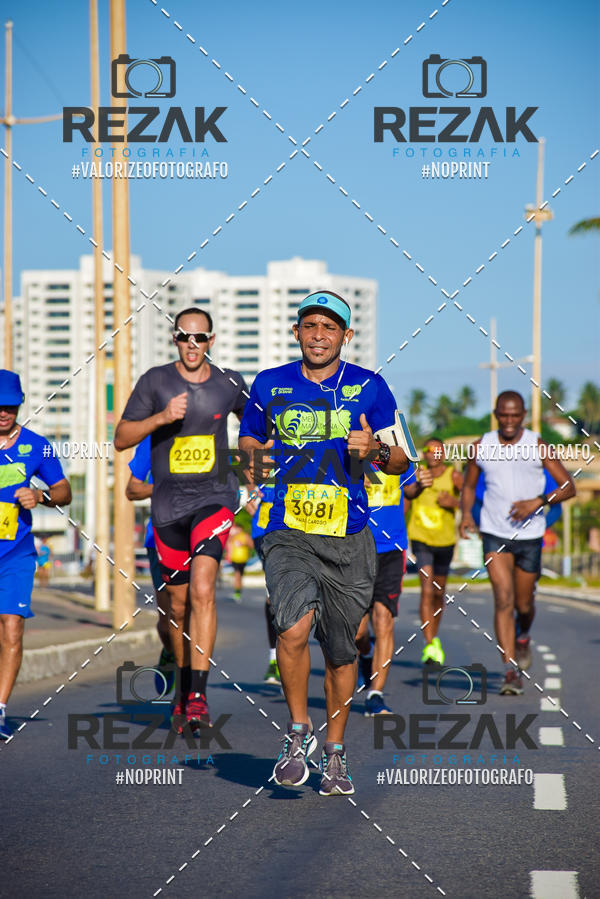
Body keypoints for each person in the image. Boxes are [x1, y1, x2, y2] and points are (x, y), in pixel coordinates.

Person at [239, 290, 409, 795]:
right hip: (288, 529)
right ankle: (297, 733)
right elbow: (249, 439)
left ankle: (334, 752)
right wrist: (255, 461)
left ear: (345, 336)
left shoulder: (371, 387)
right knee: (291, 628)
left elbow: (404, 461)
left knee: (341, 649)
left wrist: (376, 448)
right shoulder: (270, 385)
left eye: (329, 327)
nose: (318, 335)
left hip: (350, 535)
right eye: (310, 325)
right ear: (297, 332)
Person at [114, 308, 249, 732]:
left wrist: (254, 464)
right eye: (184, 337)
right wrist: (161, 417)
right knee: (176, 605)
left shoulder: (229, 383)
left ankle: (197, 695)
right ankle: (181, 687)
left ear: (212, 340)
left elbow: (255, 425)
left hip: (214, 499)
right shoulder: (156, 381)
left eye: (201, 337)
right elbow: (121, 439)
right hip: (169, 508)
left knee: (203, 589)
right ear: (174, 339)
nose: (192, 345)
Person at [460, 391, 576, 694]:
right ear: (496, 414)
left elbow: (568, 486)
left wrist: (537, 501)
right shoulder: (480, 446)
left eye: (515, 415)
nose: (509, 421)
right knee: (503, 598)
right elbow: (469, 486)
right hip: (495, 532)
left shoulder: (537, 445)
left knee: (524, 604)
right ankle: (510, 671)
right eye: (504, 415)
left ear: (523, 415)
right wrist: (465, 515)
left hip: (530, 535)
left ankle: (524, 634)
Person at [0, 370, 72, 739]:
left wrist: (40, 496)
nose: (3, 413)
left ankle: (0, 709)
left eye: (10, 406)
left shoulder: (36, 445)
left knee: (12, 626)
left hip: (16, 553)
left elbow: (64, 490)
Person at [356, 461, 426, 715]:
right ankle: (367, 654)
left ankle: (376, 694)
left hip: (392, 549)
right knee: (358, 633)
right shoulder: (349, 454)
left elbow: (411, 490)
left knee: (384, 619)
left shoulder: (397, 458)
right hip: (356, 548)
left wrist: (422, 484)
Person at [125, 435, 175, 696]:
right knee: (169, 624)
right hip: (159, 539)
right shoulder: (152, 442)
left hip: (198, 540)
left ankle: (188, 696)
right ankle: (169, 650)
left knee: (195, 613)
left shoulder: (212, 438)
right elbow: (132, 489)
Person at [407, 437, 463, 665]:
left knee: (439, 594)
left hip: (445, 541)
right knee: (427, 590)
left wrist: (454, 502)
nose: (433, 454)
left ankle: (434, 637)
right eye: (429, 450)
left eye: (437, 450)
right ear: (425, 454)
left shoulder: (454, 476)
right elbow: (406, 502)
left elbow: (471, 501)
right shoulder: (417, 475)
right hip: (421, 539)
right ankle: (430, 644)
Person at [250, 486, 280, 684]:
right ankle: (274, 659)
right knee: (274, 595)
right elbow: (247, 497)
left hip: (299, 528)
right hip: (264, 532)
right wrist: (250, 497)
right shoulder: (256, 459)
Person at [225, 522, 254, 602]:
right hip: (235, 559)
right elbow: (227, 544)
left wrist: (244, 544)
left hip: (243, 559)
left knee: (240, 576)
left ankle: (238, 593)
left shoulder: (245, 536)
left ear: (241, 529)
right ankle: (237, 594)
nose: (238, 530)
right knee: (237, 575)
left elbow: (252, 545)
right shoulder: (233, 537)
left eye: (239, 529)